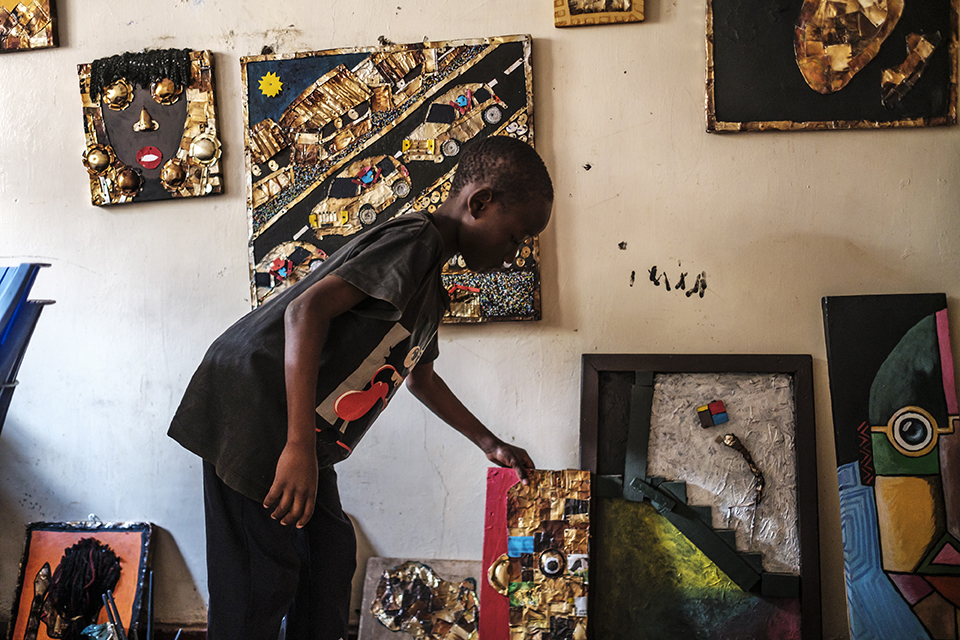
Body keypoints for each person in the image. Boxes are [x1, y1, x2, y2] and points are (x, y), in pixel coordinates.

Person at [167, 135, 553, 640]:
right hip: (256, 412)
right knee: (258, 583)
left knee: (327, 559)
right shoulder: (416, 241)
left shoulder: (430, 288)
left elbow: (421, 378)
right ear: (479, 203)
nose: (513, 253)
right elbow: (305, 312)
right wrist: (299, 444)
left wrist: (489, 442)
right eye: (515, 236)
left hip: (304, 434)